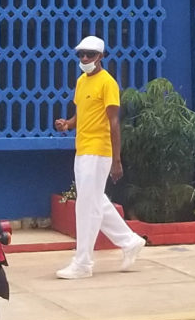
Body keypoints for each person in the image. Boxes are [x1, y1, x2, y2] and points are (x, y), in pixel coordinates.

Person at [51, 34, 146, 278]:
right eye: (81, 54)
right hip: (83, 148)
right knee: (94, 200)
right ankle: (130, 241)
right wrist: (67, 124)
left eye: (90, 54)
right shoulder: (82, 82)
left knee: (86, 206)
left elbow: (114, 123)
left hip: (99, 150)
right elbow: (81, 113)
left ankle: (83, 263)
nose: (85, 58)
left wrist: (117, 160)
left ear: (101, 56)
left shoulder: (108, 83)